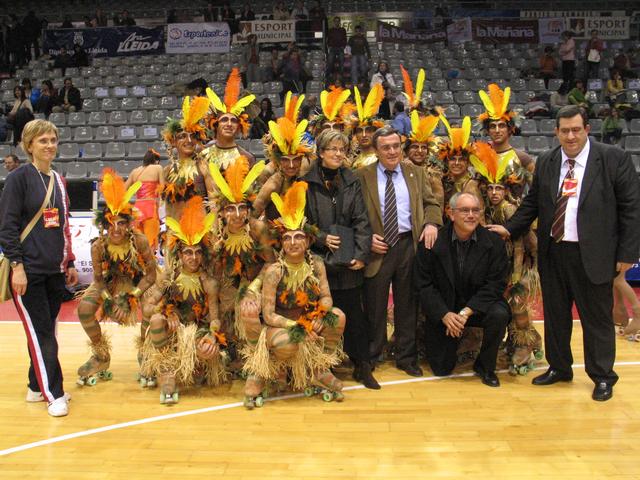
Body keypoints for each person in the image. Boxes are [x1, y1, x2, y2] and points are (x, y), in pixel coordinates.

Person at [488, 105, 640, 401]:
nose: (571, 136)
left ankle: (602, 376)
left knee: (596, 319)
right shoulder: (548, 160)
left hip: (594, 253)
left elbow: (631, 210)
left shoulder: (613, 159)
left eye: (576, 130)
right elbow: (532, 203)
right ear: (556, 132)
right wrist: (508, 229)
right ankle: (559, 368)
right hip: (554, 251)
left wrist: (627, 253)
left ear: (587, 130)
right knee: (556, 315)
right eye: (565, 131)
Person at [242, 182, 346, 408]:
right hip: (281, 327)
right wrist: (298, 327)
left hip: (307, 321)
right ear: (281, 243)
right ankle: (263, 370)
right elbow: (269, 315)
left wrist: (320, 314)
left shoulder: (317, 264)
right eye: (287, 238)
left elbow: (326, 297)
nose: (293, 243)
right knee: (288, 342)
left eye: (298, 237)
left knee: (338, 316)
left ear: (307, 241)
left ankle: (319, 367)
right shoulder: (274, 271)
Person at [0, 119, 78, 417]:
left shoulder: (58, 179)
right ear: (29, 145)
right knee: (42, 333)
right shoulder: (18, 179)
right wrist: (17, 266)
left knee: (47, 331)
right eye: (43, 140)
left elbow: (63, 225)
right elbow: (7, 227)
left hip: (54, 271)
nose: (49, 145)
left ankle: (36, 386)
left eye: (53, 140)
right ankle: (53, 394)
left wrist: (69, 261)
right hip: (28, 271)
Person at [356, 126, 442, 376]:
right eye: (386, 147)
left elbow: (431, 204)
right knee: (374, 304)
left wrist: (431, 223)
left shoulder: (416, 173)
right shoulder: (361, 175)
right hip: (378, 246)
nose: (392, 151)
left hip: (408, 245)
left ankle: (406, 357)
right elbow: (353, 213)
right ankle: (373, 354)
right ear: (376, 150)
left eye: (396, 146)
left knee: (407, 304)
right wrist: (366, 239)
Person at [303, 129, 378, 389]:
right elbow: (300, 221)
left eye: (342, 150)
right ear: (321, 152)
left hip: (347, 259)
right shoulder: (306, 182)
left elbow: (362, 219)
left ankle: (362, 365)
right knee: (321, 313)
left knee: (355, 315)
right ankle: (322, 363)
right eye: (333, 149)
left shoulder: (351, 179)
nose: (338, 154)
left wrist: (361, 254)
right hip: (318, 259)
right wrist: (321, 237)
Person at [415, 192, 509, 386]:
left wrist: (467, 311)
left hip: (476, 307)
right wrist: (444, 314)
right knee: (441, 369)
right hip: (445, 309)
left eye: (476, 210)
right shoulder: (432, 241)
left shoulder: (494, 243)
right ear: (451, 214)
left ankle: (485, 366)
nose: (471, 215)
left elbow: (495, 284)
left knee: (499, 314)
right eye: (465, 210)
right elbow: (423, 284)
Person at [140, 196, 227, 404]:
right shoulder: (169, 277)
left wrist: (212, 336)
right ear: (179, 254)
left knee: (207, 351)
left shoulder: (209, 282)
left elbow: (215, 318)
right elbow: (147, 307)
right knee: (156, 321)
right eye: (188, 252)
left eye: (197, 252)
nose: (193, 258)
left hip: (196, 332)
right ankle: (166, 368)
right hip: (174, 333)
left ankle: (195, 365)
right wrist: (165, 312)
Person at [76, 169, 157, 387]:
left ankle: (146, 352)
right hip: (110, 283)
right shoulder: (98, 246)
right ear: (104, 225)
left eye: (121, 223)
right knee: (84, 309)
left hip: (139, 282)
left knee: (151, 307)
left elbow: (151, 275)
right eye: (111, 222)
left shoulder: (139, 241)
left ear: (129, 224)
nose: (116, 228)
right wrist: (110, 302)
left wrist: (132, 297)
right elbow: (99, 281)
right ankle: (101, 355)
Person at [470, 142, 541, 374]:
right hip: (502, 266)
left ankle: (525, 345)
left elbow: (519, 246)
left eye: (498, 188)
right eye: (490, 188)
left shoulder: (510, 210)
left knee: (517, 305)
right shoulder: (487, 210)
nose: (494, 193)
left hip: (518, 266)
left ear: (506, 190)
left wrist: (517, 276)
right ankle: (517, 342)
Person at [209, 157, 275, 369]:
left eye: (242, 208)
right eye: (231, 209)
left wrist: (254, 287)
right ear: (221, 212)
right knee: (224, 303)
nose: (237, 215)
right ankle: (230, 350)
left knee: (248, 307)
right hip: (227, 283)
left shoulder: (257, 229)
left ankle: (255, 357)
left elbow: (271, 263)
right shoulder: (213, 233)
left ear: (248, 209)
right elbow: (211, 271)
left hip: (255, 280)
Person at [253, 92, 316, 220]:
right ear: (279, 160)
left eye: (295, 160)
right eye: (286, 160)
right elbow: (253, 213)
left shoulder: (308, 166)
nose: (291, 165)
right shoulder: (271, 181)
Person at [478, 83, 535, 200]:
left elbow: (536, 192)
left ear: (510, 129)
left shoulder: (523, 158)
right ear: (487, 131)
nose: (497, 130)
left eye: (501, 125)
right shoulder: (480, 156)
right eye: (493, 126)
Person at [201, 68, 256, 174]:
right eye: (224, 120)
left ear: (239, 127)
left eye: (233, 121)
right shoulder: (203, 153)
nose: (229, 124)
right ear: (216, 124)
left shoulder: (247, 158)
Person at [438, 115, 483, 218]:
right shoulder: (445, 182)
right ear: (447, 162)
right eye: (453, 159)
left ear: (468, 163)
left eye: (461, 159)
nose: (457, 163)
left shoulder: (472, 185)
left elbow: (479, 218)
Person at [403, 109, 444, 219]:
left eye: (424, 147)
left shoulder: (433, 173)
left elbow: (438, 203)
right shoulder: (399, 169)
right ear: (406, 151)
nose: (420, 151)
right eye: (415, 147)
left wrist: (432, 224)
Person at [125, 148, 165, 251]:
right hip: (151, 207)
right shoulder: (158, 168)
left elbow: (123, 189)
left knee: (138, 242)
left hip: (137, 208)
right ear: (156, 160)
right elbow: (163, 188)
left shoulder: (135, 171)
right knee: (150, 242)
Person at [349, 84, 385, 169]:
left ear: (376, 133)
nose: (364, 135)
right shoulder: (355, 160)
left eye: (369, 130)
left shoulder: (382, 160)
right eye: (359, 131)